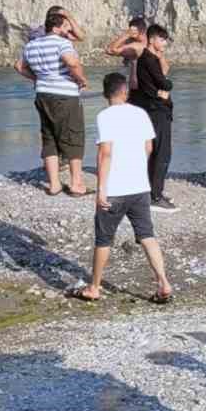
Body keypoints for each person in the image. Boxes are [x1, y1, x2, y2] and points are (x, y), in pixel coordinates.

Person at [82, 72, 172, 304]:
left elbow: (105, 153)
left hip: (115, 188)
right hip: (140, 186)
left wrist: (101, 188)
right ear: (126, 92)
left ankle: (94, 287)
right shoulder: (140, 113)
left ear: (105, 94)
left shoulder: (104, 116)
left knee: (104, 239)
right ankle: (163, 282)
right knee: (146, 235)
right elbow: (149, 148)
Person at [16, 8, 89, 196]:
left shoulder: (32, 45)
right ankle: (76, 184)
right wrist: (81, 79)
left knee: (49, 137)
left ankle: (54, 184)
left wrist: (37, 78)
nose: (68, 30)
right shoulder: (61, 43)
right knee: (74, 137)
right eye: (65, 27)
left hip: (42, 94)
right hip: (64, 95)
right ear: (57, 27)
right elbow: (72, 63)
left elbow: (19, 67)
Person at [129, 23, 177, 212]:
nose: (165, 42)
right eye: (162, 39)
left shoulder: (147, 58)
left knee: (155, 151)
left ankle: (152, 192)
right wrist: (164, 88)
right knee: (162, 152)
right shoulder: (149, 59)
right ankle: (155, 196)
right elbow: (164, 82)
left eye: (165, 39)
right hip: (157, 110)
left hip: (153, 108)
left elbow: (156, 85)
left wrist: (161, 89)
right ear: (151, 39)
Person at [106, 15, 148, 91]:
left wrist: (125, 35)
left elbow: (110, 50)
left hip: (138, 83)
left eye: (131, 31)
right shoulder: (136, 42)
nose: (130, 33)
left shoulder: (137, 46)